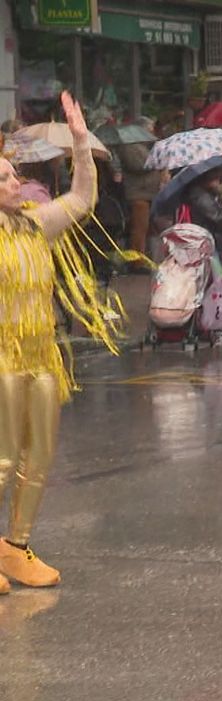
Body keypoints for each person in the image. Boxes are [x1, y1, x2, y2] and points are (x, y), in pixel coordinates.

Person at [0, 92, 132, 592]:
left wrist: (81, 142)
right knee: (4, 458)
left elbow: (81, 200)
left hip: (42, 353)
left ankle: (15, 547)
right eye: (5, 179)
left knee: (40, 457)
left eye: (13, 175)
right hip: (3, 357)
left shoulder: (35, 226)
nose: (17, 183)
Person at [118, 117, 160, 257]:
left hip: (146, 193)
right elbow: (139, 165)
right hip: (138, 194)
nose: (151, 132)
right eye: (149, 129)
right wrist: (156, 160)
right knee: (139, 230)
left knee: (144, 229)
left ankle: (143, 256)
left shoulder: (142, 146)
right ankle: (137, 261)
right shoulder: (131, 146)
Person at [182, 169, 222, 271]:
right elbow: (217, 217)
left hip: (216, 240)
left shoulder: (210, 194)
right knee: (217, 274)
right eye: (216, 179)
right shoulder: (201, 197)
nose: (219, 182)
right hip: (212, 241)